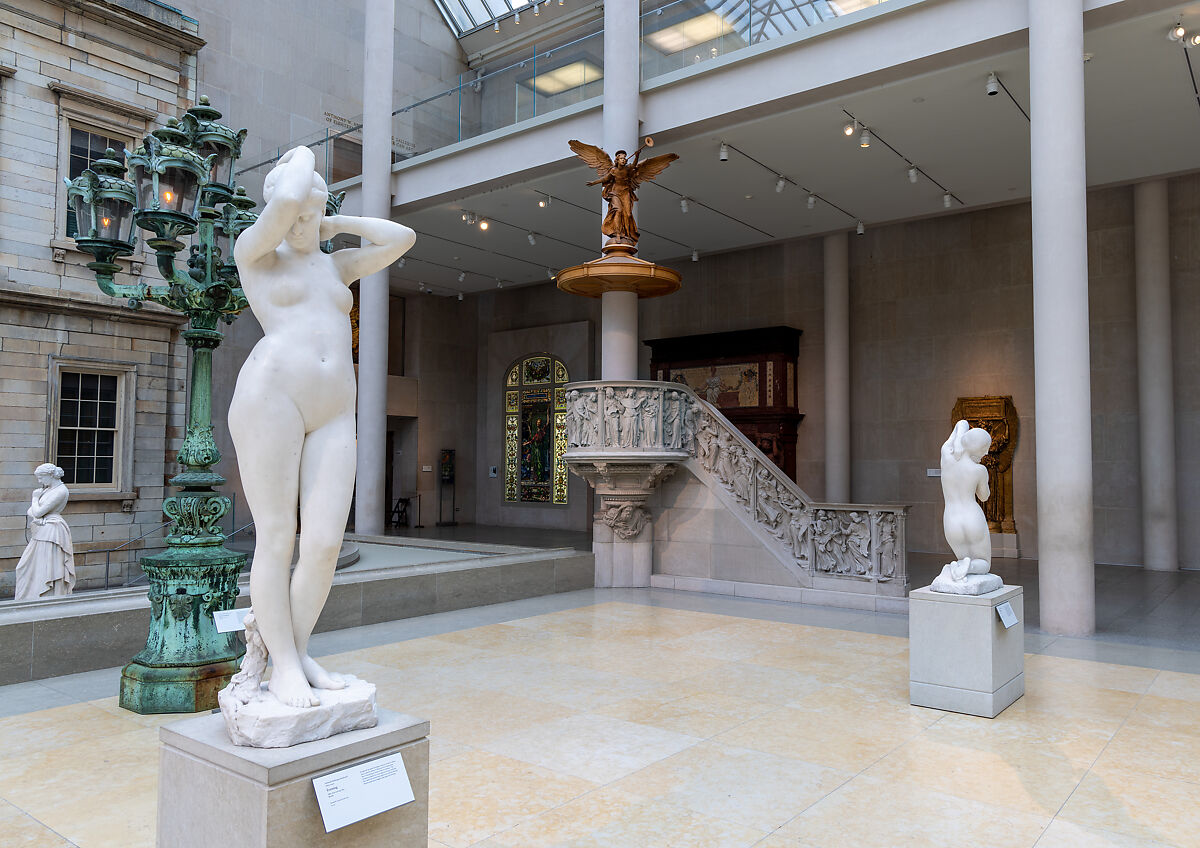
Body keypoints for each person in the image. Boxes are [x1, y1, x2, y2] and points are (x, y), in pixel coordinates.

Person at [228, 146, 414, 708]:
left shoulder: (334, 264)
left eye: (315, 215)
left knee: (327, 542)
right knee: (278, 537)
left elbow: (400, 238)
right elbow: (286, 196)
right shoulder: (255, 251)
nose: (306, 224)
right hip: (273, 395)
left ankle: (298, 649)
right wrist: (301, 158)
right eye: (298, 216)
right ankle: (280, 664)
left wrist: (335, 218)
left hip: (335, 409)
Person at [939, 419, 993, 582]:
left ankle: (960, 566)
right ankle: (969, 567)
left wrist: (959, 441)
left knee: (963, 556)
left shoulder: (946, 455)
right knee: (984, 563)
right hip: (972, 517)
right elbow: (984, 496)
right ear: (979, 448)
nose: (986, 454)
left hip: (951, 520)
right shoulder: (979, 470)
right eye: (985, 449)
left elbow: (961, 423)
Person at [14, 463, 75, 600]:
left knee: (48, 567)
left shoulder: (61, 491)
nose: (40, 482)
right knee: (25, 566)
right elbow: (31, 511)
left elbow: (38, 511)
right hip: (42, 530)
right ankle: (30, 595)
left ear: (50, 475)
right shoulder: (48, 490)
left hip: (52, 531)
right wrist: (36, 512)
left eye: (41, 478)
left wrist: (35, 498)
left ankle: (47, 596)